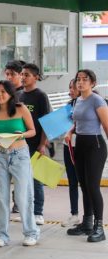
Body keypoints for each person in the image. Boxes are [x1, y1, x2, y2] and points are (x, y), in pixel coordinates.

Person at [0, 80, 39, 247]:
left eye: (3, 91)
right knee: (1, 197)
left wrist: (21, 134)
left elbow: (33, 131)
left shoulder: (20, 108)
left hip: (20, 155)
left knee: (23, 196)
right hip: (0, 156)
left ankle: (31, 233)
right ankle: (0, 235)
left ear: (10, 94)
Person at [65, 69, 108, 242]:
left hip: (95, 146)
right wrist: (70, 131)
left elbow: (106, 125)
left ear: (92, 83)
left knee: (93, 186)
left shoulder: (97, 100)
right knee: (84, 186)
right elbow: (78, 122)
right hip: (80, 145)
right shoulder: (77, 101)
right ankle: (87, 223)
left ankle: (99, 227)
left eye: (84, 79)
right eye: (78, 79)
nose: (80, 82)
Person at [19, 63, 50, 226]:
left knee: (36, 178)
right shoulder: (18, 96)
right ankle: (25, 210)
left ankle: (38, 212)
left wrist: (43, 144)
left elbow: (46, 122)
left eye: (27, 75)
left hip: (35, 143)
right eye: (22, 74)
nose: (23, 77)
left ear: (35, 77)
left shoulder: (40, 96)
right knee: (22, 179)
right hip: (20, 144)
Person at [4, 59, 25, 214]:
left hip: (24, 143)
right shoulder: (6, 95)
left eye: (12, 74)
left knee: (25, 178)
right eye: (7, 74)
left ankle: (30, 208)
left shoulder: (23, 95)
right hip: (7, 142)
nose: (9, 77)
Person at [61, 79, 80, 228]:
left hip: (81, 146)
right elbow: (61, 125)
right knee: (72, 182)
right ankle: (74, 214)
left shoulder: (87, 105)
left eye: (73, 87)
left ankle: (90, 215)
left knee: (86, 183)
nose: (71, 90)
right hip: (67, 146)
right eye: (70, 87)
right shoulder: (68, 106)